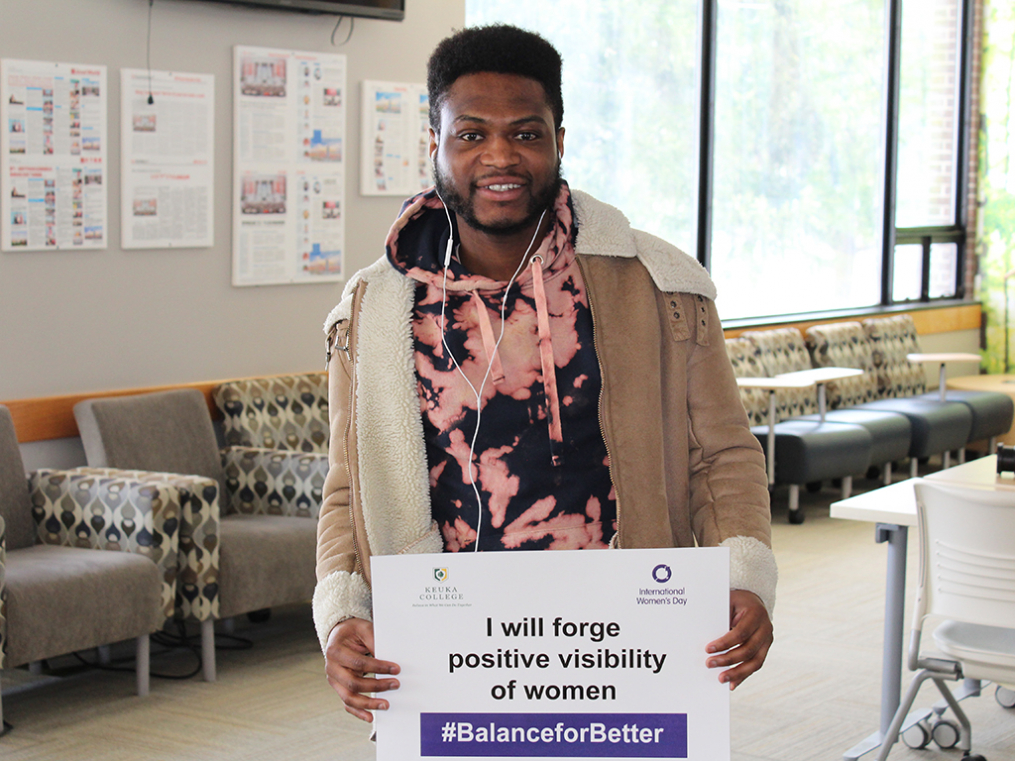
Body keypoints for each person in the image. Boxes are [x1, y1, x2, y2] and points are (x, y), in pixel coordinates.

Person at [314, 24, 776, 723]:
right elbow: (350, 484)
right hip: (448, 651)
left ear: (561, 140)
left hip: (620, 648)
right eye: (470, 134)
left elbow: (721, 454)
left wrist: (742, 575)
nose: (499, 155)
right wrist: (343, 613)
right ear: (432, 144)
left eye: (525, 133)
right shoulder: (374, 310)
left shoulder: (657, 286)